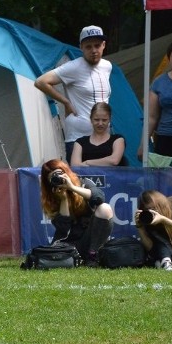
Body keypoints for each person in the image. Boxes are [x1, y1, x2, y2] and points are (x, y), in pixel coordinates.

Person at [35, 25, 112, 162]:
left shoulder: (107, 66)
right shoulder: (74, 67)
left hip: (103, 135)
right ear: (81, 47)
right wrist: (65, 101)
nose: (94, 50)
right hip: (78, 137)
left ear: (104, 45)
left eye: (97, 45)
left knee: (103, 179)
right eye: (88, 47)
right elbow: (41, 82)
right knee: (78, 180)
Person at [38, 159, 114, 267]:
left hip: (90, 240)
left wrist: (72, 187)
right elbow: (63, 229)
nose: (59, 179)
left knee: (105, 208)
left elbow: (99, 197)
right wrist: (63, 200)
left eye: (59, 174)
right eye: (53, 178)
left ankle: (93, 256)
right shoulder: (51, 198)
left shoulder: (83, 183)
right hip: (68, 244)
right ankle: (76, 258)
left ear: (66, 172)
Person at [70, 102, 127, 167]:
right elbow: (75, 166)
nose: (100, 123)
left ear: (110, 119)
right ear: (91, 119)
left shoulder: (118, 139)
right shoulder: (80, 142)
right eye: (96, 120)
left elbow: (114, 160)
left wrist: (87, 162)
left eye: (104, 120)